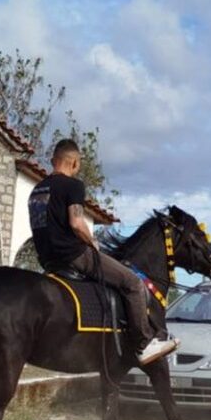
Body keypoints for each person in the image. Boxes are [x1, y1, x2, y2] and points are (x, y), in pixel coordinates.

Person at [28, 139, 177, 365]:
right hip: (74, 255)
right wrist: (92, 242)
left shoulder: (36, 190)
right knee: (133, 283)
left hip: (48, 260)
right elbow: (76, 223)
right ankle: (144, 344)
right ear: (75, 163)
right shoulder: (73, 185)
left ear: (52, 160)